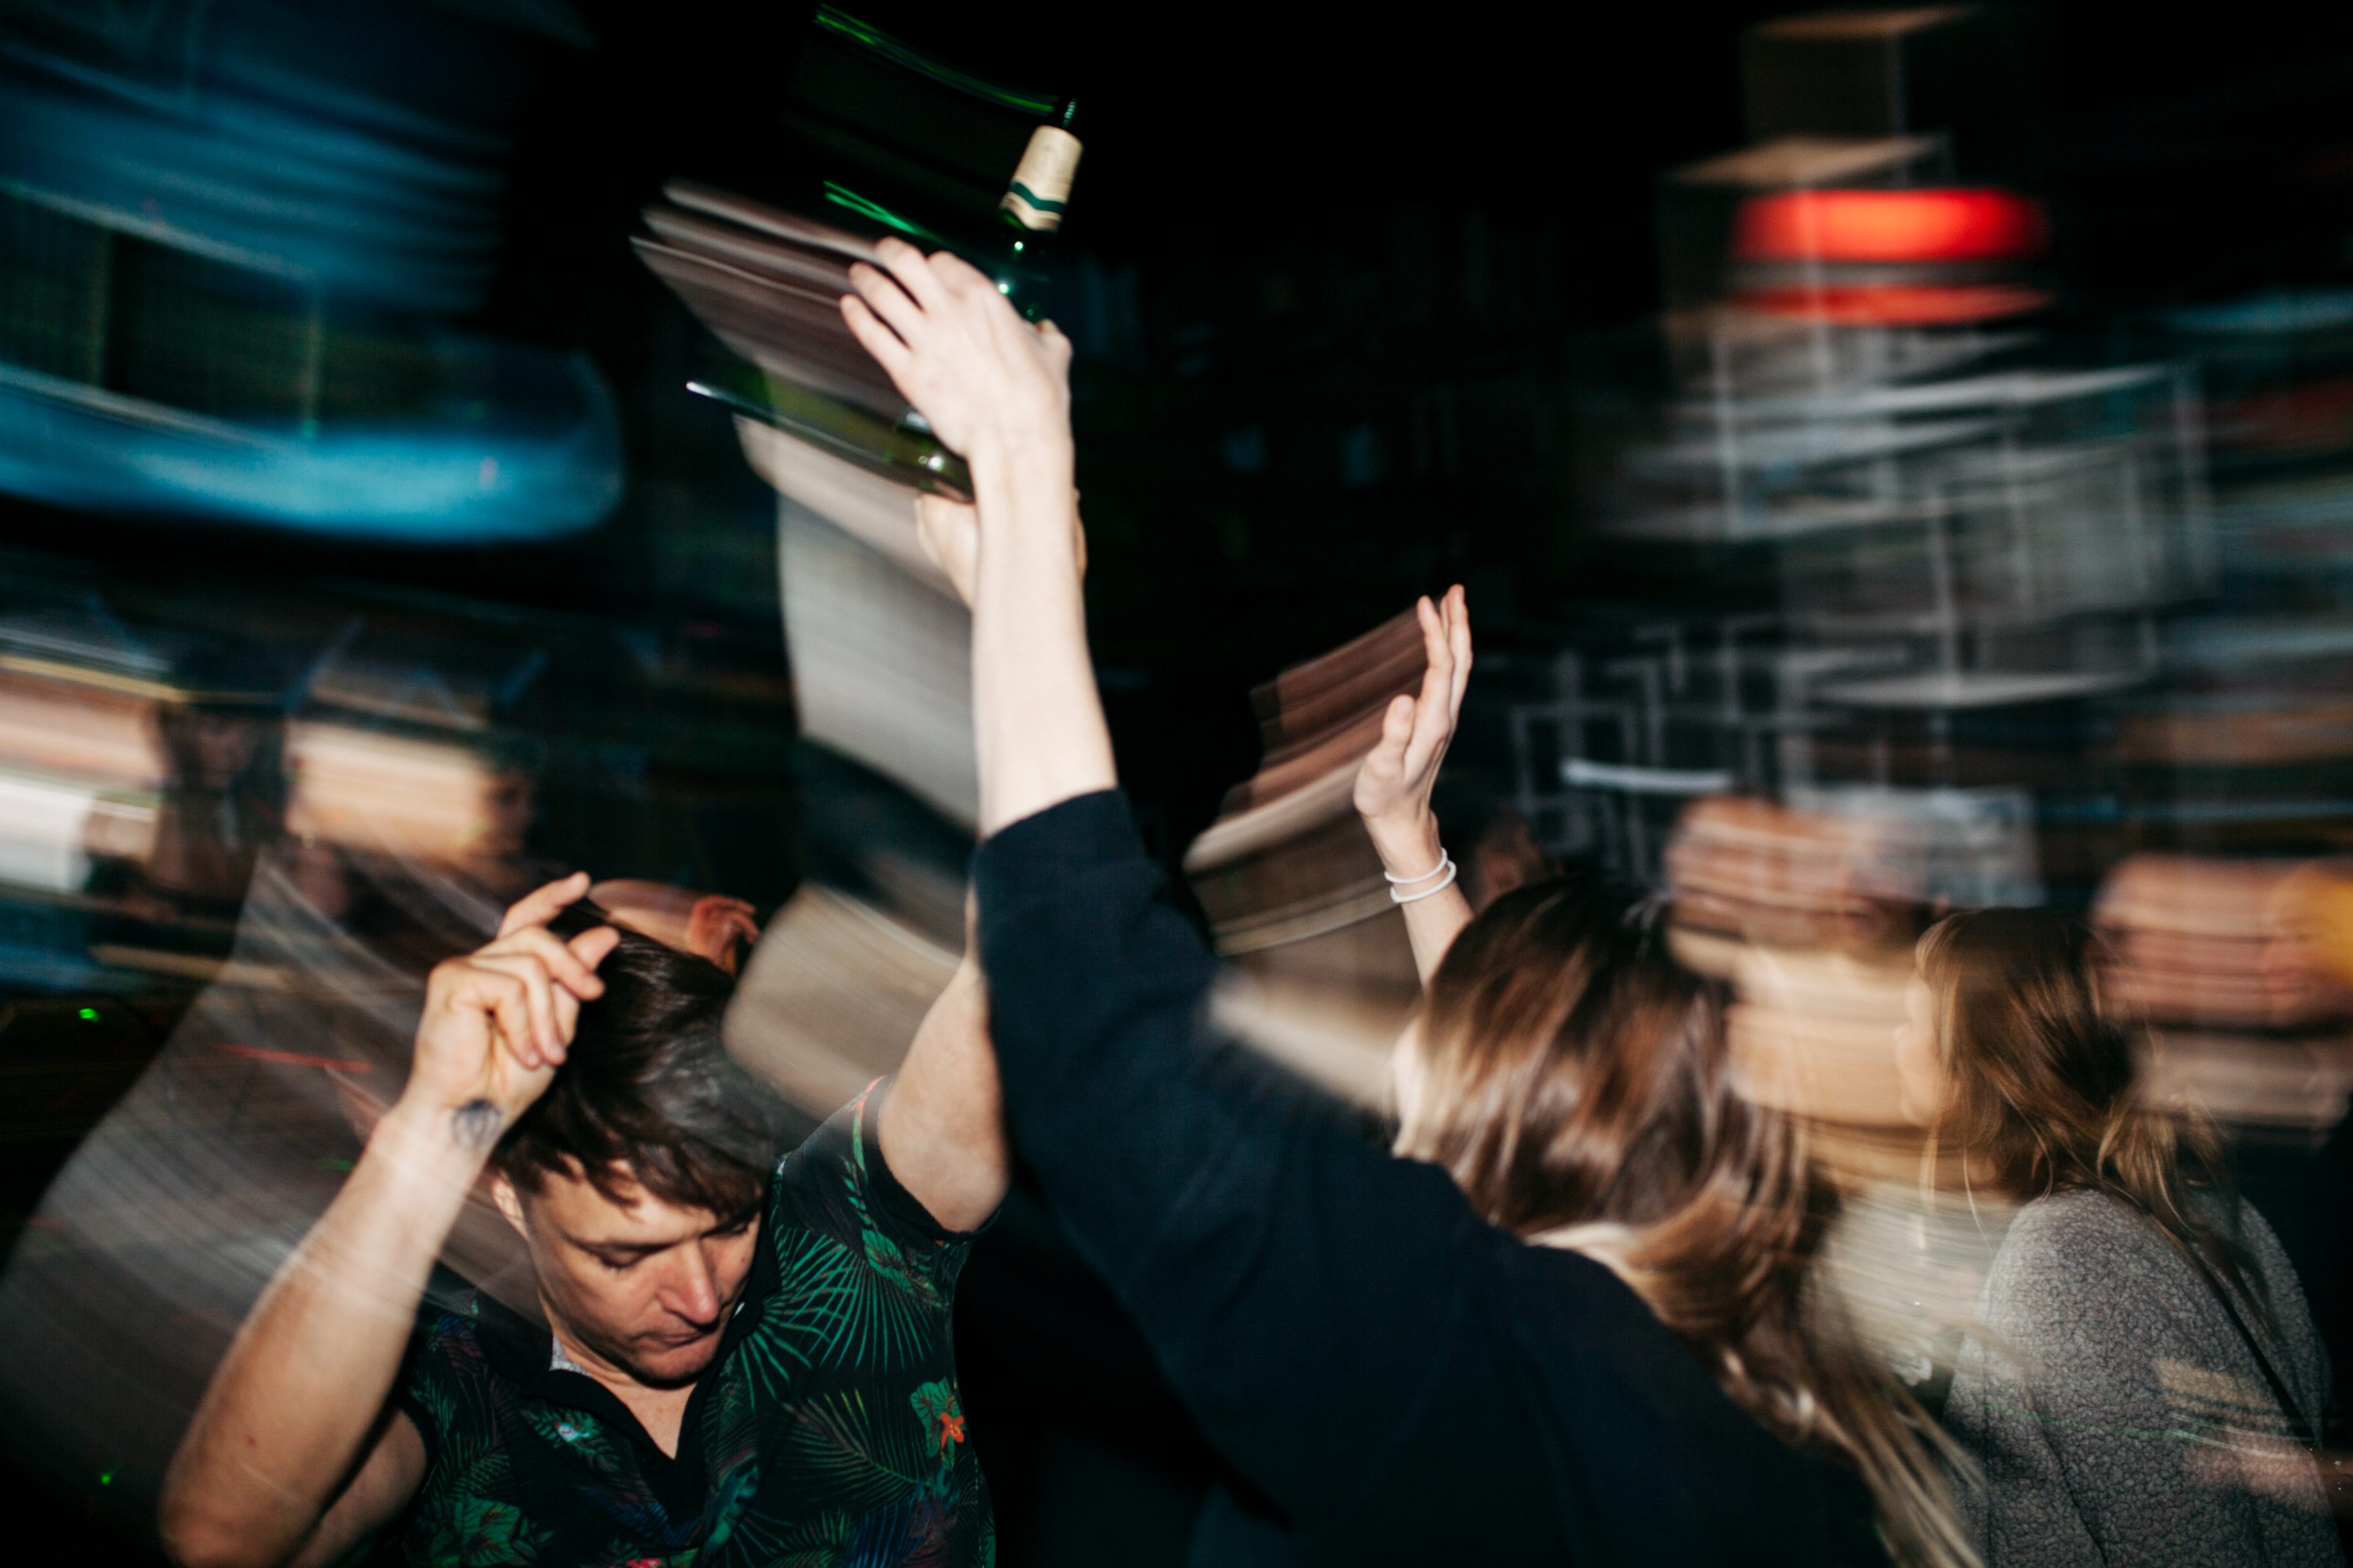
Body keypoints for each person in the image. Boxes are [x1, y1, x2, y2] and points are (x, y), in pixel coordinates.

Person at [840, 237, 1967, 1565]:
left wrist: (1028, 485)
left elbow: (1101, 1018)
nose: (1403, 1068)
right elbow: (1505, 1053)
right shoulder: (1723, 1381)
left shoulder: (1487, 1362)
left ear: (1524, 1099)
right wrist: (1405, 841)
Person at [159, 871, 1006, 1567]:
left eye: (728, 1223)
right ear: (504, 1193)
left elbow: (1017, 945)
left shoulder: (851, 1218)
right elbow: (223, 1540)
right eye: (625, 1254)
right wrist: (433, 1125)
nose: (702, 1295)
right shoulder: (443, 1377)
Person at [1895, 908, 2345, 1567]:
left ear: (1966, 1054)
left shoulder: (2066, 1256)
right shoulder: (2210, 1212)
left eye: (1905, 1019)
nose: (1891, 1042)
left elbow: (2191, 1544)